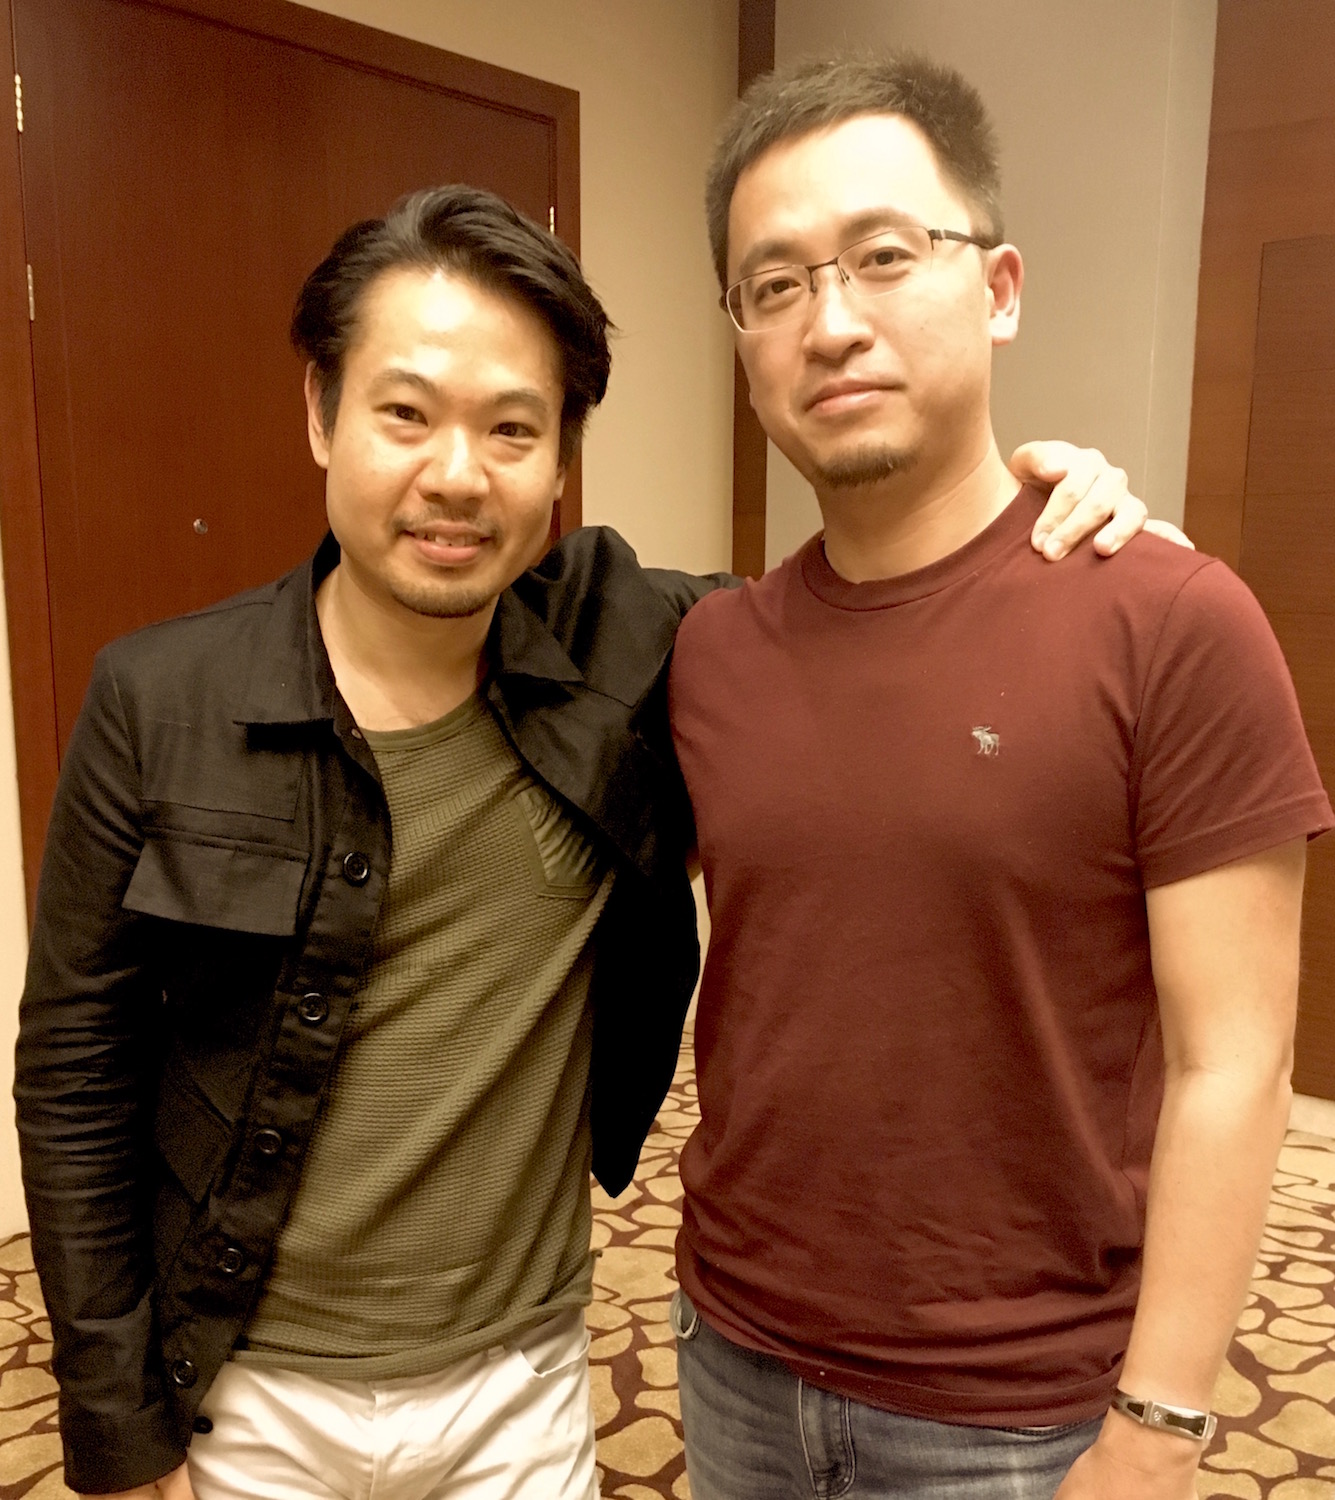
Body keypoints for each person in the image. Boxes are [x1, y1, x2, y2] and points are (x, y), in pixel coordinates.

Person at [16, 182, 1155, 1500]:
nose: (457, 476)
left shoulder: (639, 648)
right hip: (243, 1387)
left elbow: (869, 610)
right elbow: (75, 1068)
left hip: (523, 1384)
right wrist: (116, 1428)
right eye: (405, 413)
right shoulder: (158, 698)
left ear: (560, 460)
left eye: (514, 428)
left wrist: (1055, 535)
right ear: (322, 412)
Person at [667, 52, 1334, 1500]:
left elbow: (1234, 1065)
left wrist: (1159, 1424)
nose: (831, 321)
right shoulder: (708, 651)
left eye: (884, 255)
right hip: (729, 1357)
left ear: (1000, 287)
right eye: (773, 285)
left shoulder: (1170, 621)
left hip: (1020, 1415)